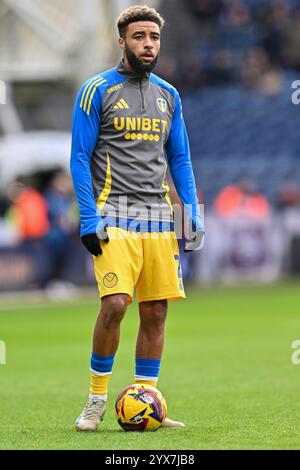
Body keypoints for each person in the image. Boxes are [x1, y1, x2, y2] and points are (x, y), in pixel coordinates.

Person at [70, 5, 204, 432]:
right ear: (122, 40)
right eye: (140, 36)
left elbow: (179, 157)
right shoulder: (97, 90)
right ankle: (95, 401)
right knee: (114, 305)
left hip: (158, 220)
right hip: (114, 216)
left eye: (155, 38)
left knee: (156, 312)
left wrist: (192, 210)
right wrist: (88, 217)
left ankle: (147, 400)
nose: (149, 44)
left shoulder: (169, 95)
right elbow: (78, 157)